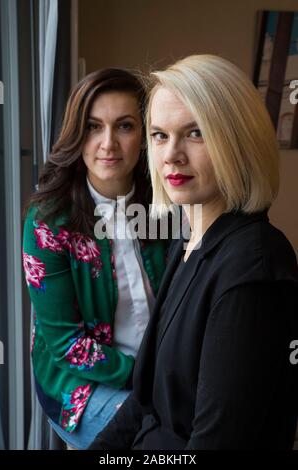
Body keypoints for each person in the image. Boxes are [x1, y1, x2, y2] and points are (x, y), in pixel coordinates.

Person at [89, 55, 298, 450]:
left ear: (238, 142)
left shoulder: (253, 266)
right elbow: (144, 401)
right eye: (159, 135)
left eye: (196, 133)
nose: (171, 155)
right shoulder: (187, 239)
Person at [22, 68, 169, 449]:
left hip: (162, 370)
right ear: (77, 134)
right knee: (157, 445)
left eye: (124, 126)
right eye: (93, 126)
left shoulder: (166, 202)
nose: (108, 143)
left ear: (145, 135)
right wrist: (149, 376)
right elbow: (66, 343)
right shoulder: (48, 222)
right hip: (85, 382)